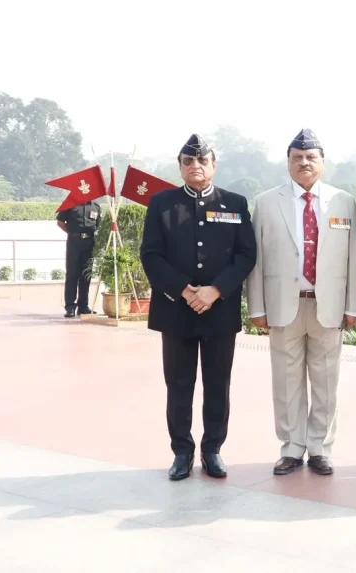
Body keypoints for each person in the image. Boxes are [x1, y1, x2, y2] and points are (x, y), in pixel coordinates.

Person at [246, 129, 356, 477]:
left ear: (323, 162)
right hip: (284, 305)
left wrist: (353, 305)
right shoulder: (267, 202)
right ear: (288, 163)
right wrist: (257, 308)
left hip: (328, 305)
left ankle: (320, 448)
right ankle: (292, 447)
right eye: (297, 157)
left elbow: (354, 257)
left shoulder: (344, 201)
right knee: (286, 382)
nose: (304, 163)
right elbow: (256, 259)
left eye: (311, 157)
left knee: (326, 382)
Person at [140, 134, 257, 481]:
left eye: (202, 160)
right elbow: (151, 255)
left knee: (218, 383)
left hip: (219, 309)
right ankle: (182, 451)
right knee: (179, 384)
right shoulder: (162, 204)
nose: (196, 166)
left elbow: (246, 254)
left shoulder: (234, 203)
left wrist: (215, 290)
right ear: (180, 167)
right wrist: (184, 290)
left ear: (213, 165)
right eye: (188, 161)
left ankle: (212, 449)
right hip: (176, 309)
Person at [56, 200, 101, 317]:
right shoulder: (70, 204)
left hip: (89, 243)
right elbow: (60, 222)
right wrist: (72, 233)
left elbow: (97, 225)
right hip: (74, 242)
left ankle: (83, 306)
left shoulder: (95, 206)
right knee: (72, 274)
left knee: (86, 274)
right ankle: (70, 307)